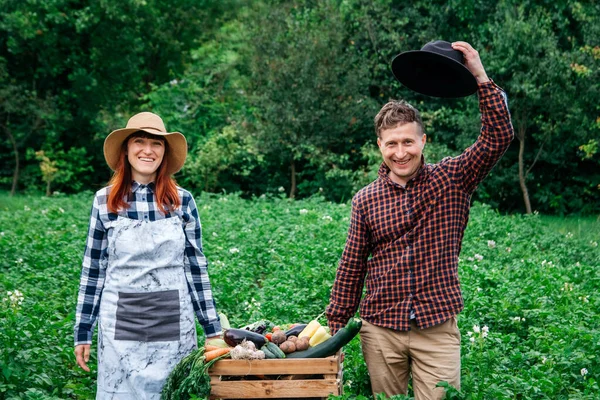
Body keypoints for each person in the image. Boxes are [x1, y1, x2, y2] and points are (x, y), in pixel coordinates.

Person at [326, 41, 514, 399]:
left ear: (423, 141)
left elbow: (498, 137)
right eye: (392, 144)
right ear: (379, 145)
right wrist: (335, 331)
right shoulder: (365, 200)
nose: (401, 153)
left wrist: (479, 75)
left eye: (408, 142)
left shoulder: (453, 178)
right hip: (380, 329)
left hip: (436, 327)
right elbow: (352, 267)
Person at [73, 112, 222, 398]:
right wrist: (83, 330)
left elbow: (195, 267)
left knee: (170, 393)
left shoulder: (182, 200)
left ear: (164, 152)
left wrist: (212, 329)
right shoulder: (104, 201)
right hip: (120, 321)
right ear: (126, 149)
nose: (147, 150)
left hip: (172, 319)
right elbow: (93, 268)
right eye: (139, 142)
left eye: (156, 144)